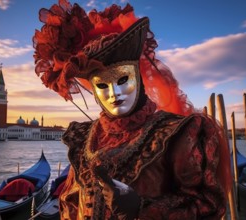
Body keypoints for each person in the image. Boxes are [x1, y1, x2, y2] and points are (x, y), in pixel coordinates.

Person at [33, 0, 232, 219]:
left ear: (137, 77)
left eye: (122, 80)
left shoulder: (177, 134)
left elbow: (209, 205)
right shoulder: (83, 139)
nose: (114, 93)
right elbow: (70, 203)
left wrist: (142, 208)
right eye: (102, 85)